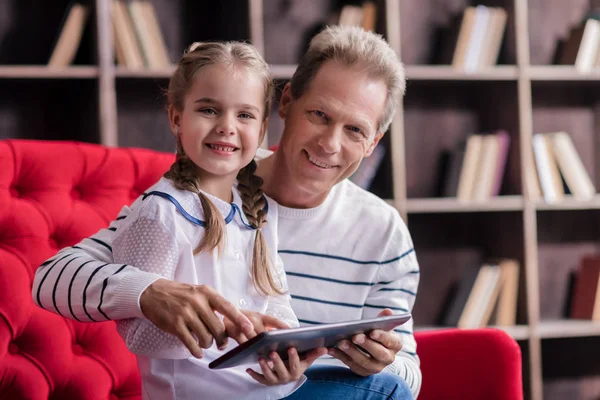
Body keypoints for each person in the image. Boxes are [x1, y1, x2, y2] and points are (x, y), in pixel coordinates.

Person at [33, 25, 420, 399]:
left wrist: (378, 362)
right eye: (319, 115)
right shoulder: (197, 195)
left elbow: (408, 377)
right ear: (286, 103)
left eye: (355, 130)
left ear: (373, 143)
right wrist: (147, 292)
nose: (330, 144)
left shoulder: (384, 233)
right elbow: (51, 279)